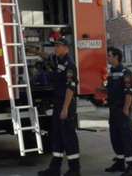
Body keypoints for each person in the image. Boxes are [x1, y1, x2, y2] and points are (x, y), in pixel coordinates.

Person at [38, 39, 81, 176]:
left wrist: (65, 108)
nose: (55, 48)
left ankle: (75, 170)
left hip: (65, 104)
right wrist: (33, 51)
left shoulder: (70, 65)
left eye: (58, 46)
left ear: (66, 48)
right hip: (58, 103)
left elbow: (70, 88)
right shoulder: (58, 61)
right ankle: (54, 169)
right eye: (55, 46)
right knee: (57, 136)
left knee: (68, 137)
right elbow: (47, 56)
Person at [105, 47, 132, 176]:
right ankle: (120, 163)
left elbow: (129, 92)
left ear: (116, 57)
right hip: (113, 110)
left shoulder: (126, 72)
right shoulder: (112, 72)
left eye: (109, 56)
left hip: (122, 110)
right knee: (115, 138)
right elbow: (111, 90)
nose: (107, 58)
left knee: (127, 138)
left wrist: (126, 109)